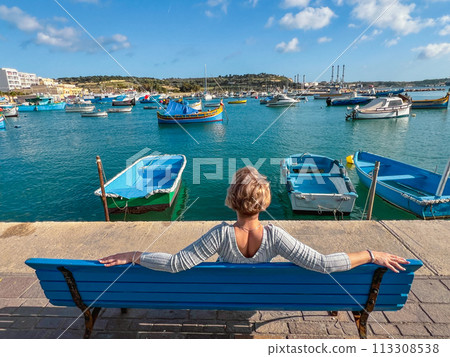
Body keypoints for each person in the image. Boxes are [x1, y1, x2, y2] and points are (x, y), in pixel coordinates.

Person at [99, 167, 409, 274]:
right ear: (265, 201)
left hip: (222, 296)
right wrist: (371, 254)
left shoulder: (220, 234)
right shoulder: (275, 236)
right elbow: (324, 264)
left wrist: (135, 255)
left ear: (232, 199)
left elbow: (175, 264)